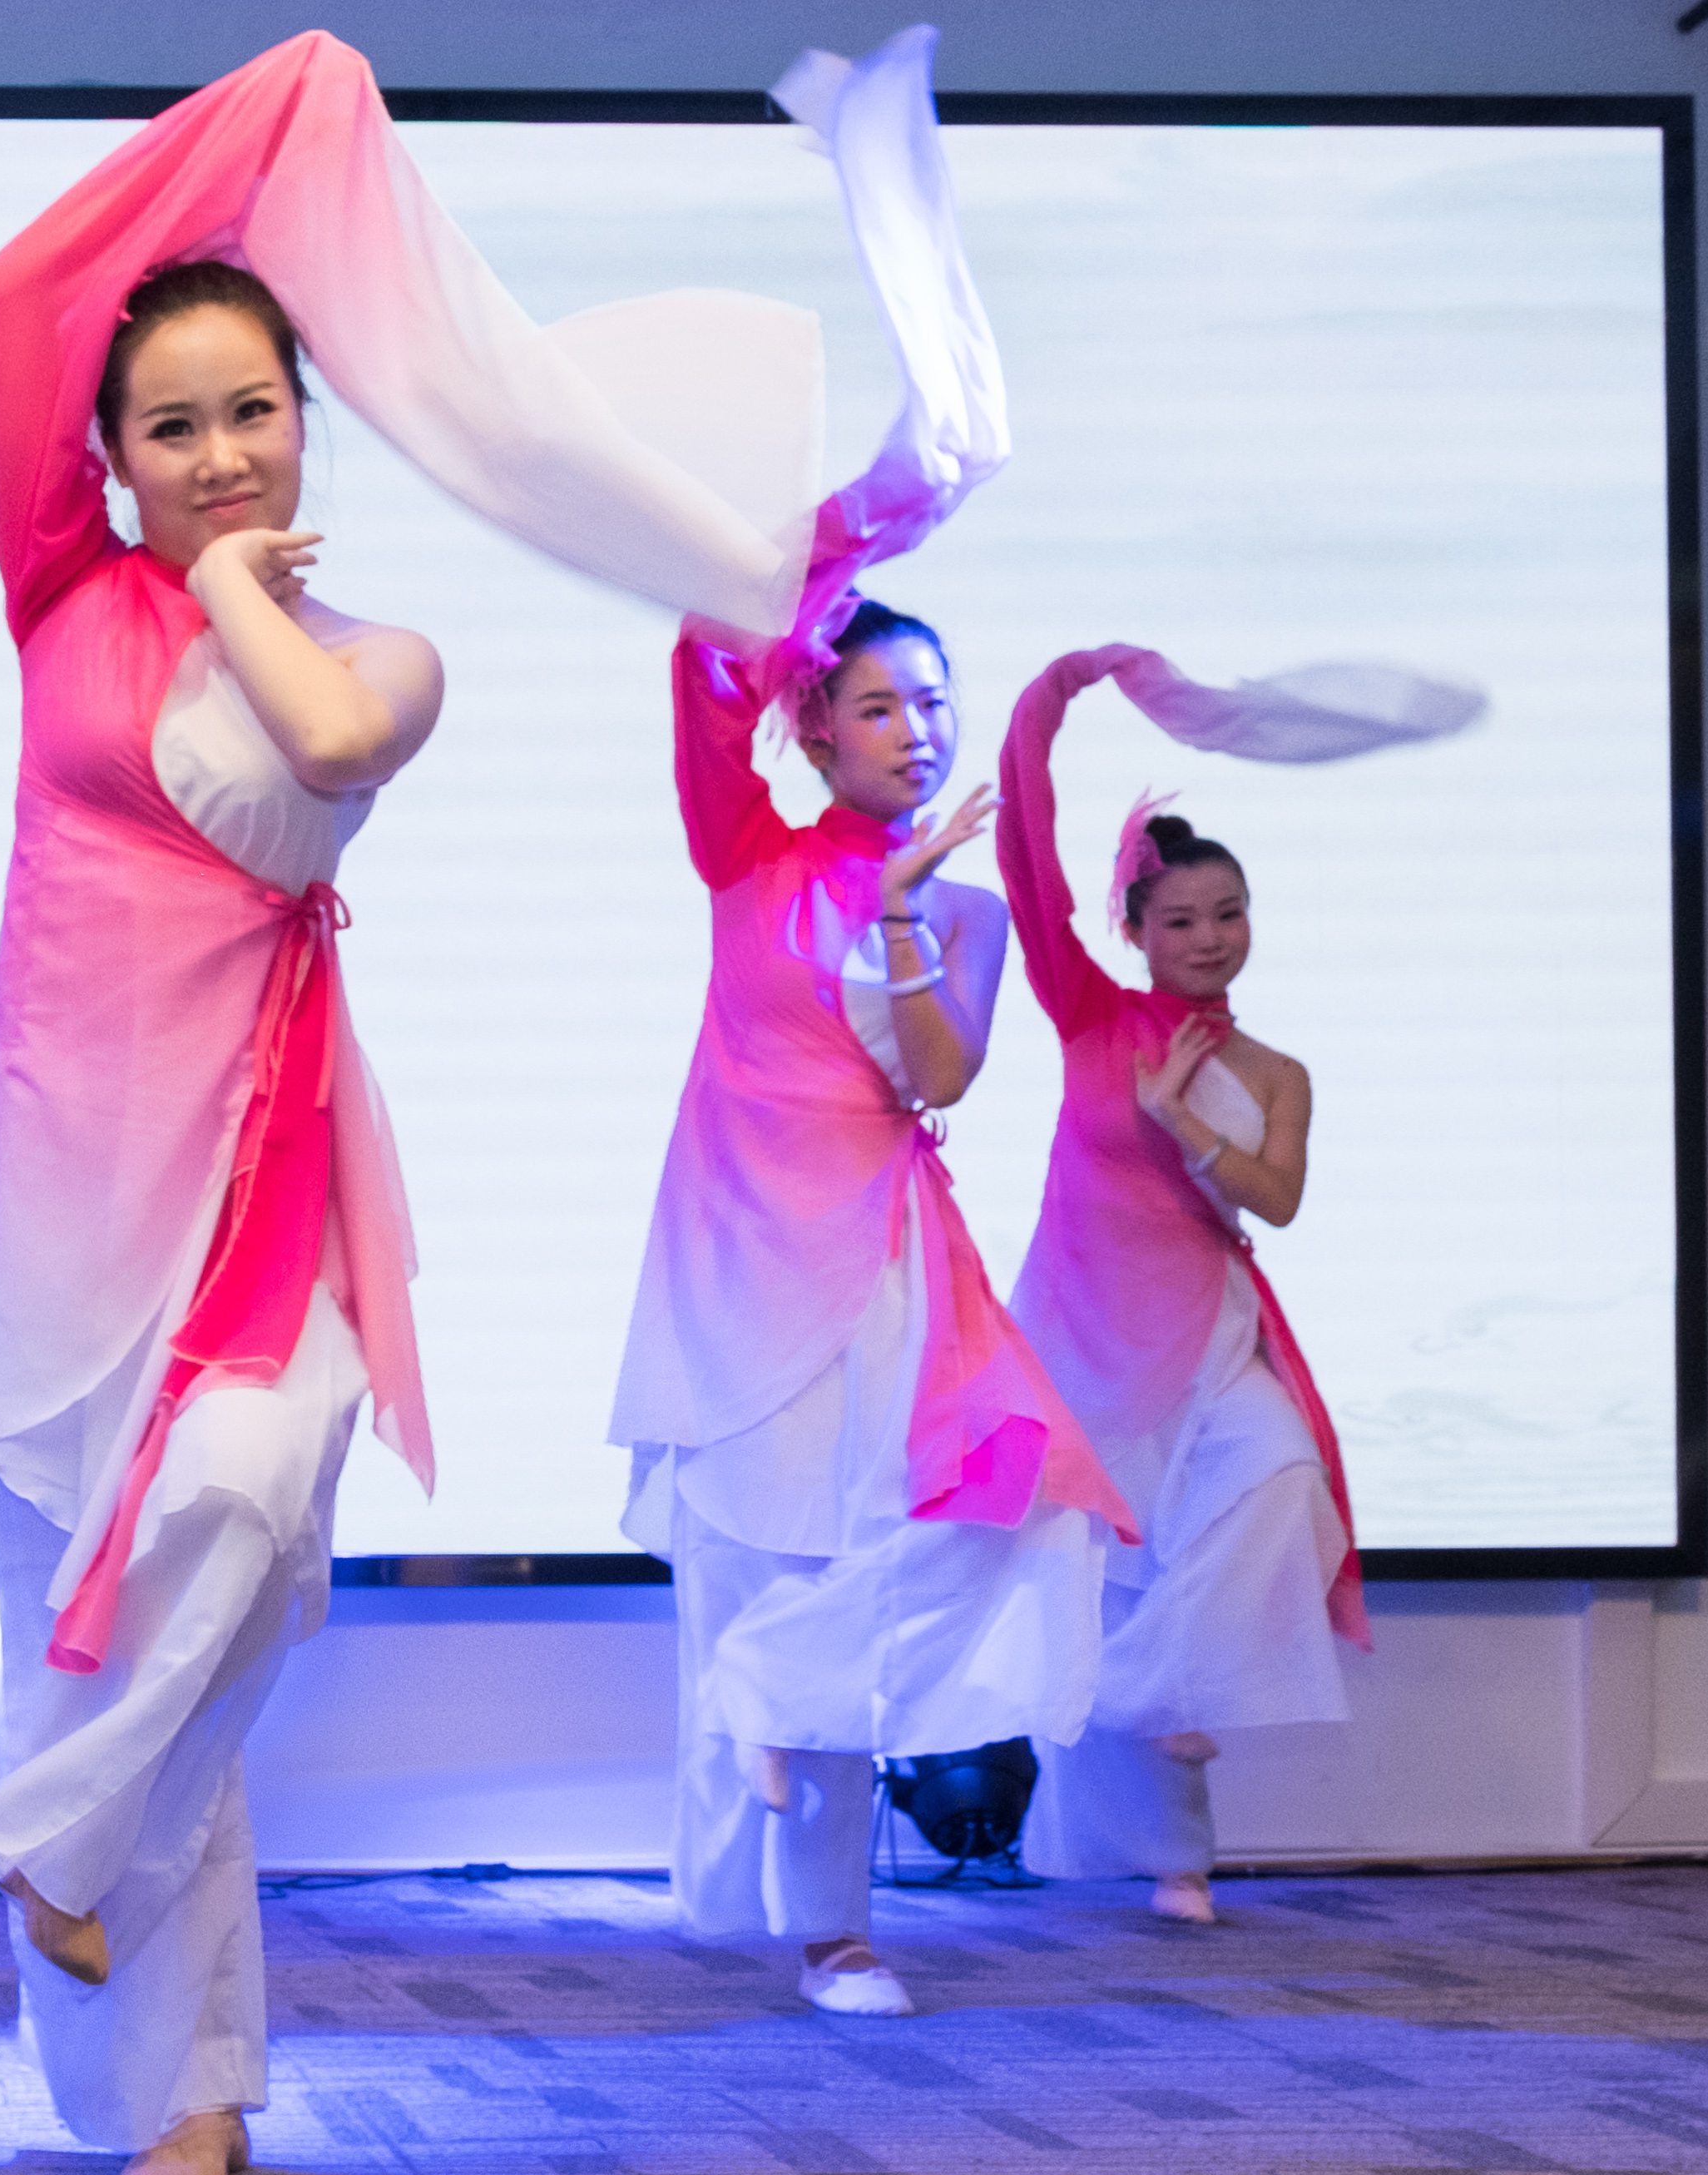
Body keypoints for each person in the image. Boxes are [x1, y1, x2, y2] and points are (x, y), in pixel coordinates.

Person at [0, 29, 883, 2175]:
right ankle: (185, 2084)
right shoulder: (53, 592)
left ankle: (51, 1842)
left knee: (240, 1532)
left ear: (308, 415)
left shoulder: (383, 650)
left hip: (259, 1178)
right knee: (89, 1619)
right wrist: (276, 115)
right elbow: (15, 294)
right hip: (52, 1188)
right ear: (103, 455)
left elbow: (324, 744)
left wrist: (227, 580)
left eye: (251, 407)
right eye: (168, 425)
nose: (215, 452)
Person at [606, 26, 1156, 2016]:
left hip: (881, 1272)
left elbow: (939, 1080)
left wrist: (918, 920)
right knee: (762, 1568)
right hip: (732, 1263)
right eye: (876, 703)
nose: (914, 728)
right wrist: (858, 525)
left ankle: (837, 1910)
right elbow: (705, 647)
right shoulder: (743, 853)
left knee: (954, 1539)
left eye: (934, 704)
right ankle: (790, 1894)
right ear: (813, 727)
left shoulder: (957, 902)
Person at [992, 643, 1480, 1918]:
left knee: (1278, 1478)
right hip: (1080, 1336)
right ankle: (1172, 1857)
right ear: (1134, 930)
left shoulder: (1273, 1072)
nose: (1208, 938)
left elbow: (1276, 1199)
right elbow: (1025, 852)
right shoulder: (1089, 1013)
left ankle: (1157, 1714)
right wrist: (1054, 694)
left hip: (1205, 1336)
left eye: (1227, 914)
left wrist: (1180, 1121)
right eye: (1180, 920)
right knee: (1101, 1577)